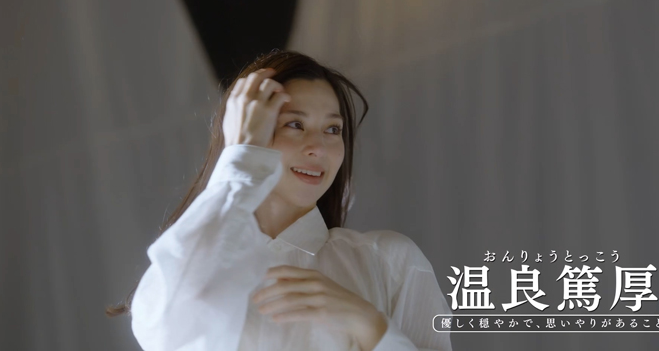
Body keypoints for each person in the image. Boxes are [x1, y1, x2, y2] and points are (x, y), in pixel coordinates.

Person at [105, 50, 452, 350]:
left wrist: (368, 324)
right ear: (248, 132)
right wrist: (241, 158)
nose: (318, 147)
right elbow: (163, 329)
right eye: (294, 125)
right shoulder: (191, 270)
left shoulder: (389, 262)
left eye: (333, 129)